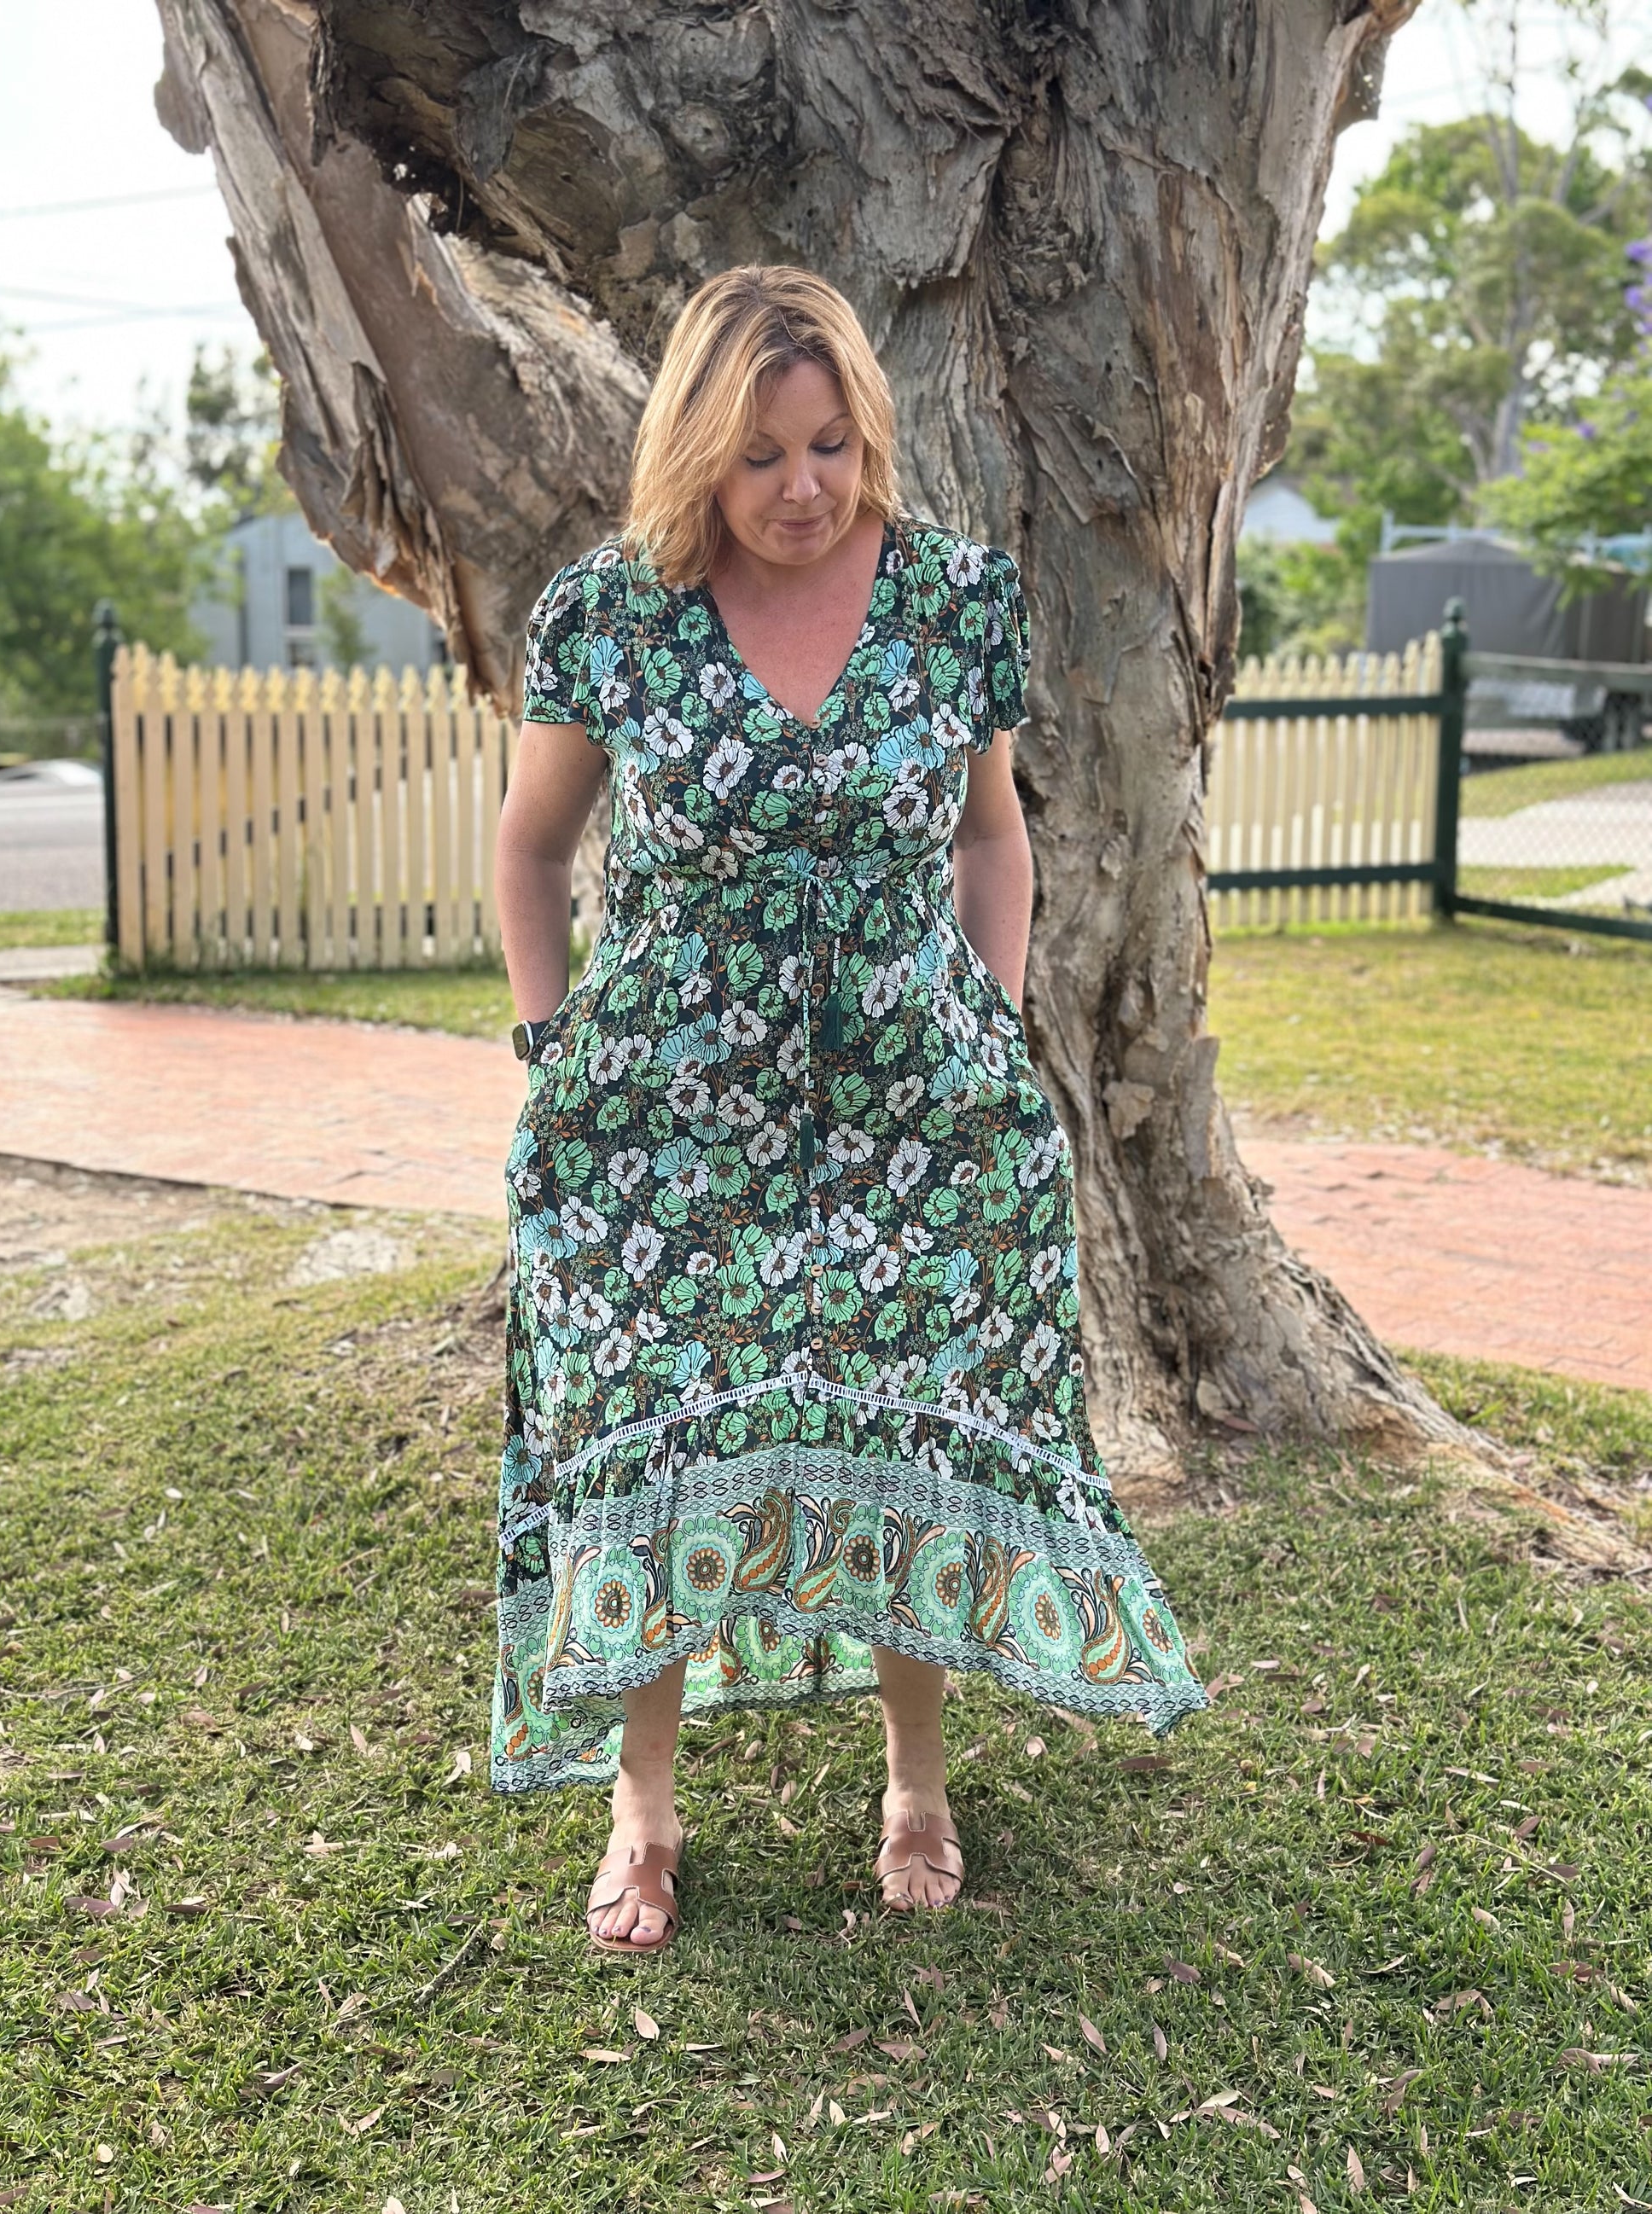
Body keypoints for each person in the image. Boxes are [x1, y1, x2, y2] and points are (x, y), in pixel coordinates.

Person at [492, 264, 1205, 1954]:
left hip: (913, 1103)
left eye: (826, 444)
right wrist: (551, 1059)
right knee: (645, 1432)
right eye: (757, 456)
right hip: (663, 1118)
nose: (799, 487)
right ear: (697, 459)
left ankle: (915, 1783)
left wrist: (991, 1009)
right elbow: (529, 850)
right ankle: (643, 1810)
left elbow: (988, 832)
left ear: (866, 433)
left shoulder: (955, 596)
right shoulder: (610, 613)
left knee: (907, 1420)